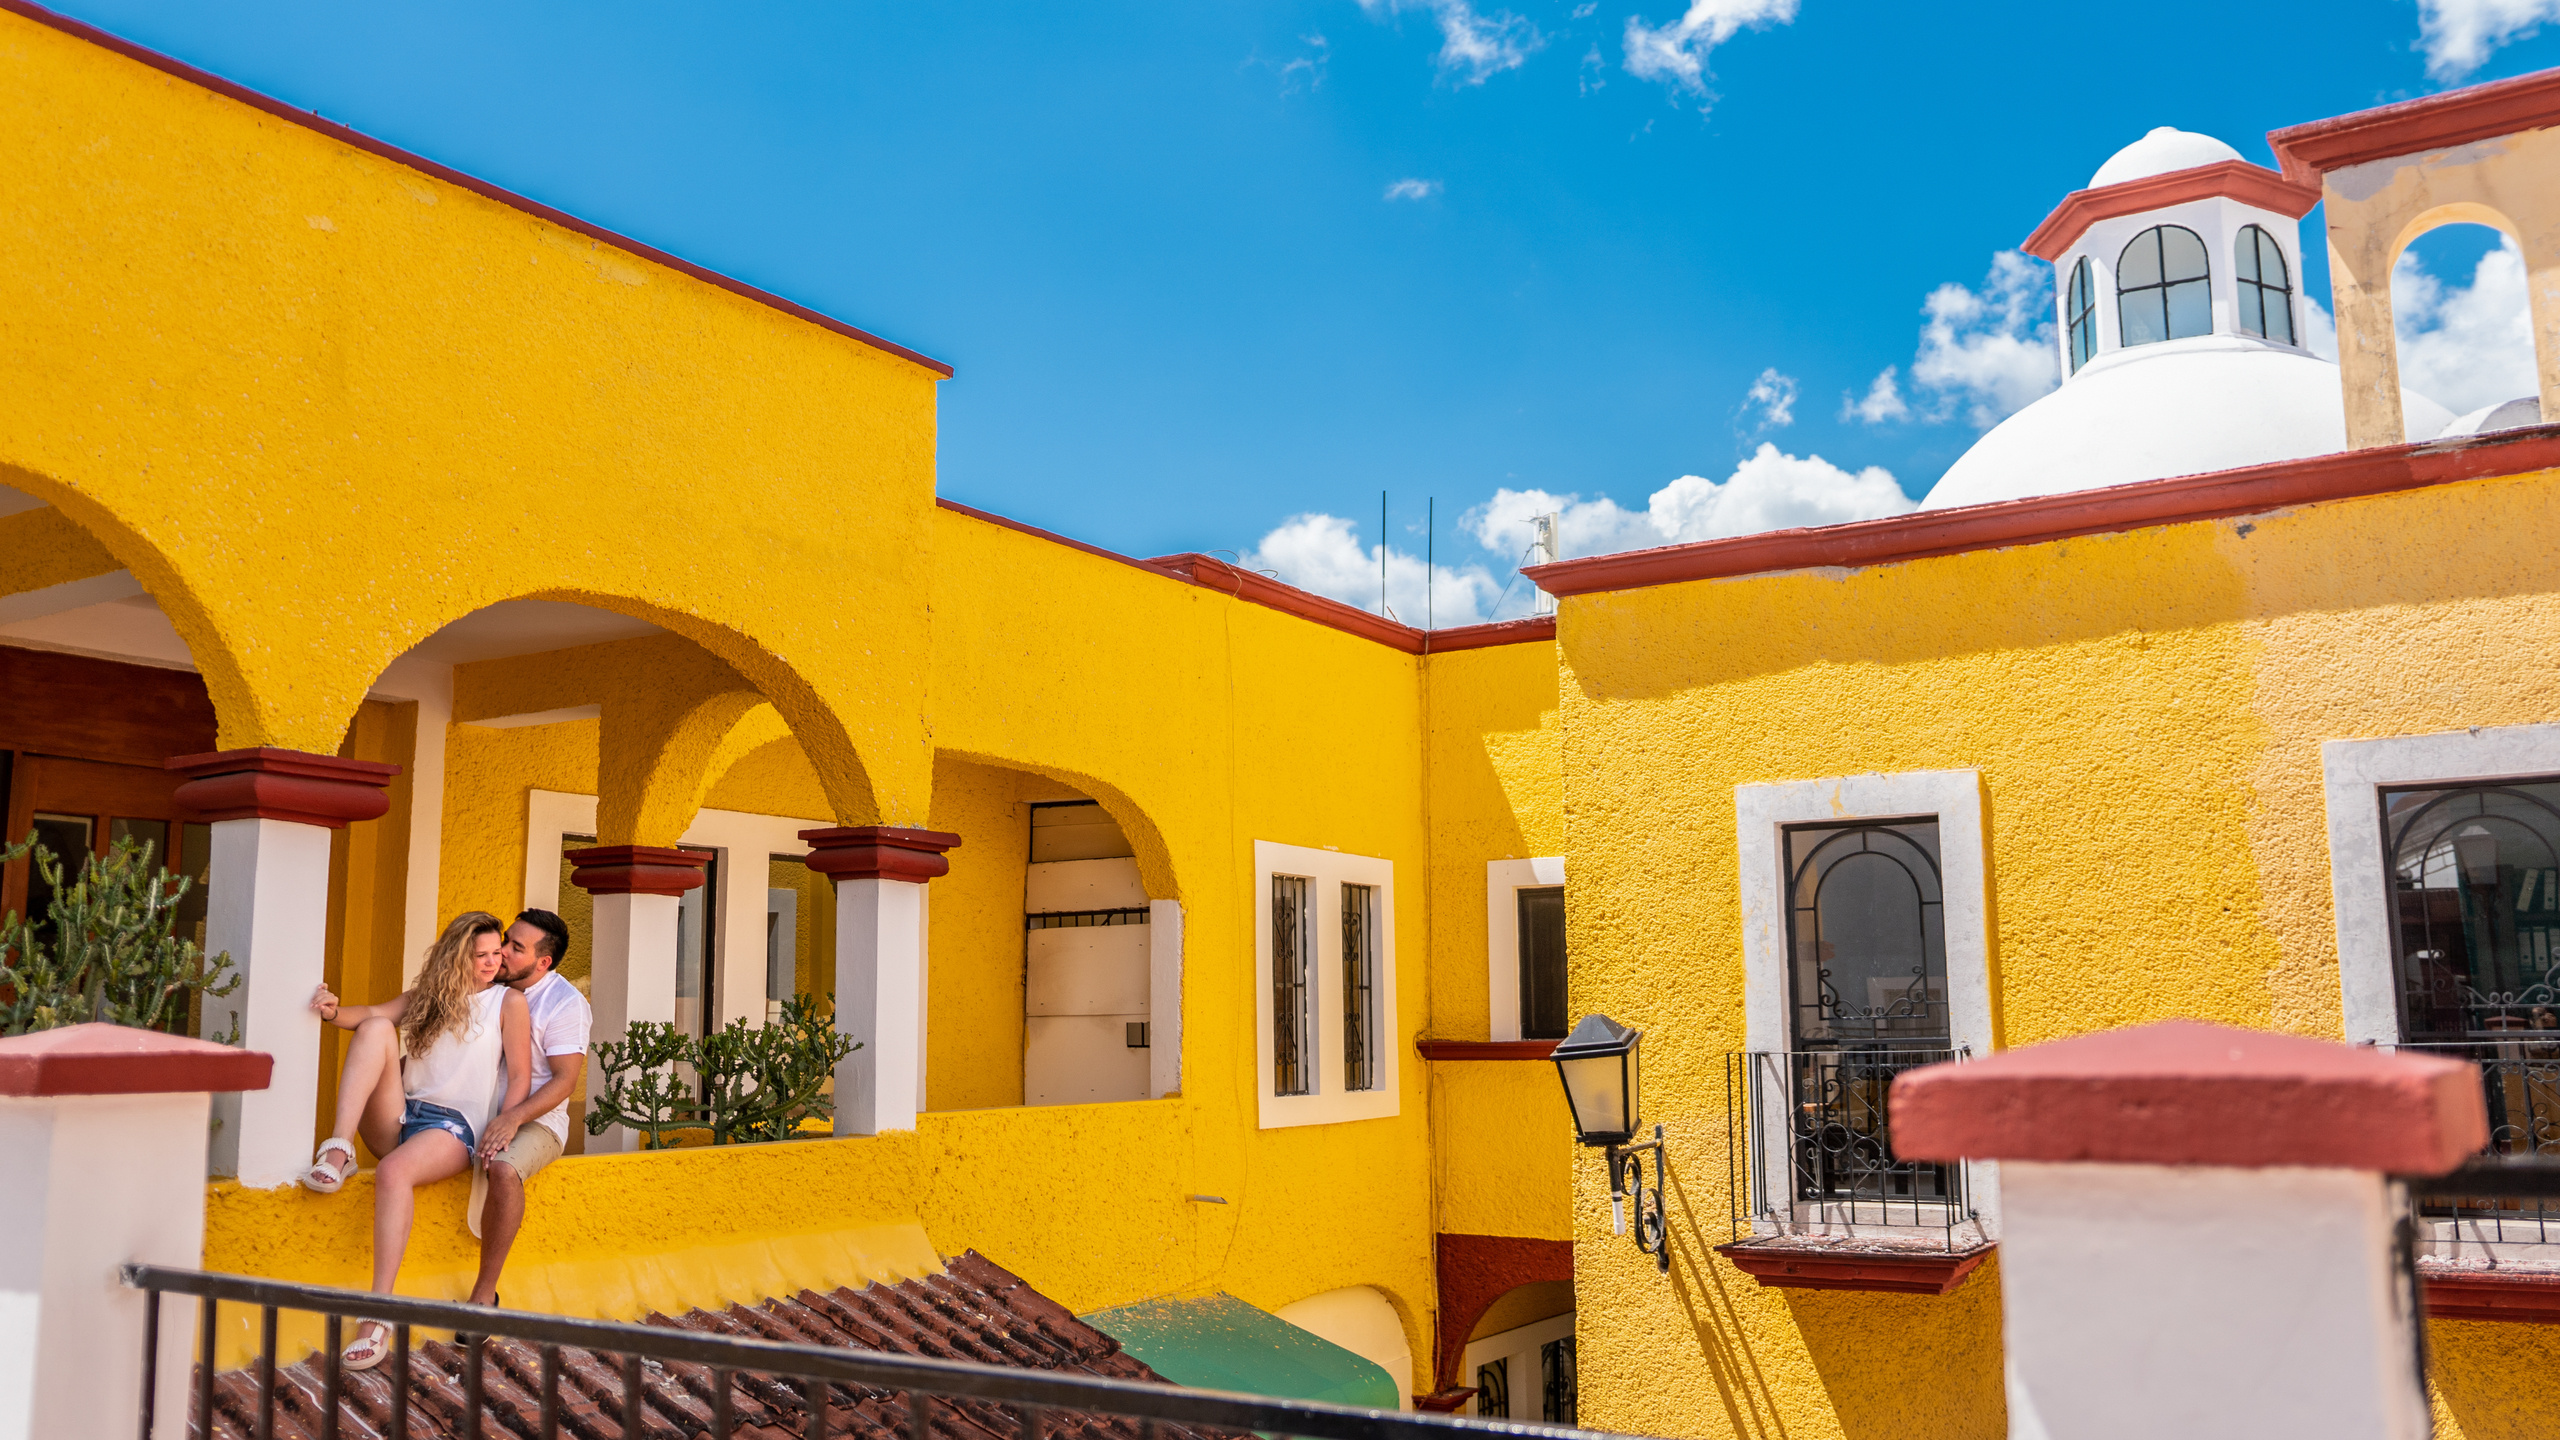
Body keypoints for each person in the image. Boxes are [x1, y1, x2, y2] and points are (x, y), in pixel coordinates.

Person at [302, 911, 530, 1371]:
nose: (491, 962)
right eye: (480, 955)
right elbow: (367, 1014)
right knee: (376, 1029)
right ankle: (339, 1147)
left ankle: (377, 1314)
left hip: (453, 1128)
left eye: (495, 953)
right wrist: (331, 1012)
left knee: (392, 1172)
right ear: (455, 957)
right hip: (402, 1116)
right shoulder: (429, 997)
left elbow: (522, 1076)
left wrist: (505, 1125)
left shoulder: (507, 1003)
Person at [464, 908, 589, 1307]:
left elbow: (564, 1080)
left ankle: (484, 1295)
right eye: (506, 940)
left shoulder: (564, 1003)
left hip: (538, 1121)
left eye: (515, 948)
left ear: (542, 962)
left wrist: (512, 1118)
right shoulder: (486, 984)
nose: (500, 952)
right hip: (474, 1105)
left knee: (503, 1168)